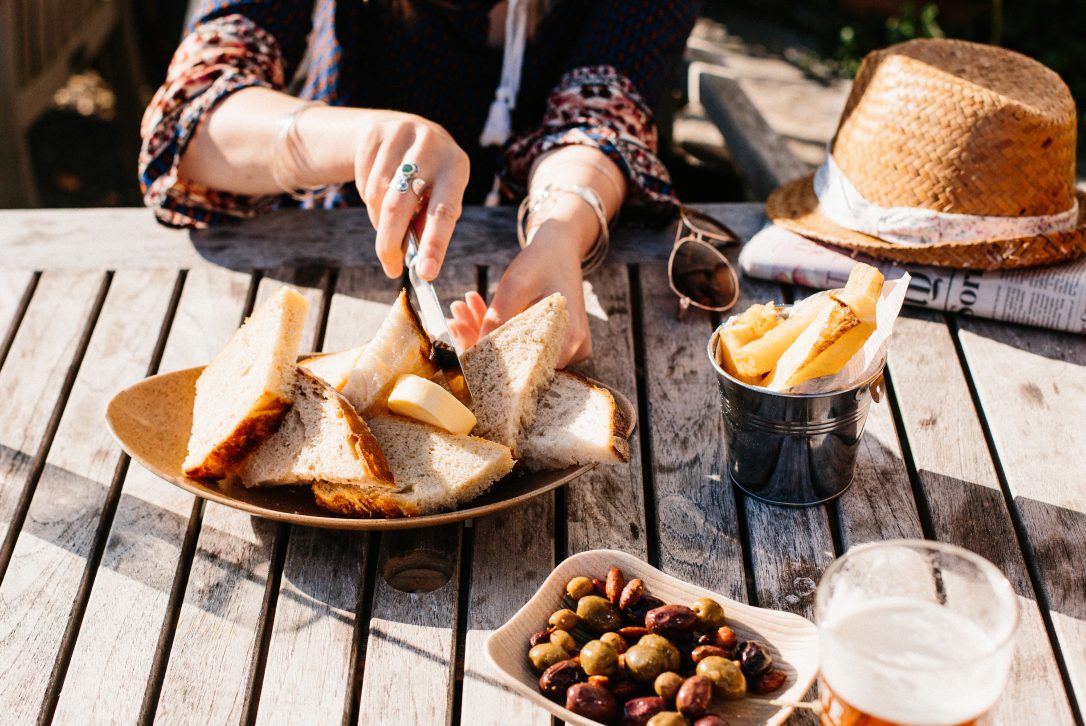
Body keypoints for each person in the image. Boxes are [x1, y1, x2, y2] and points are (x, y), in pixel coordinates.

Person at [140, 0, 700, 364]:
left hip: (529, 260)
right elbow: (193, 122)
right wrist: (367, 140)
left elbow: (602, 112)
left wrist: (561, 231)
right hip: (331, 258)